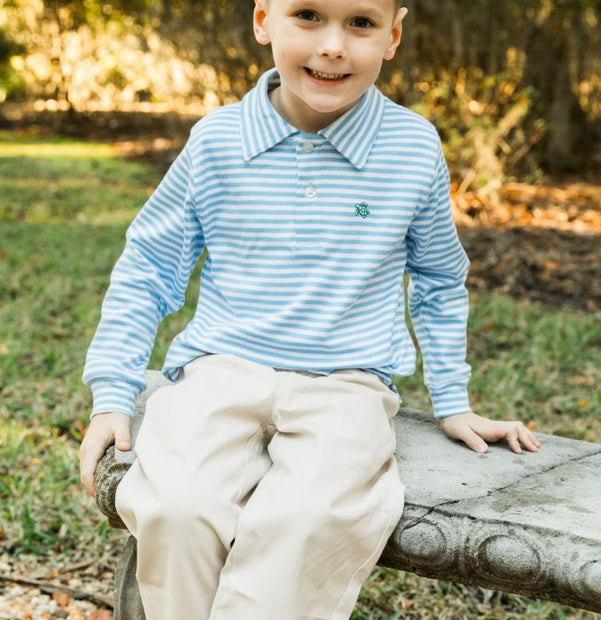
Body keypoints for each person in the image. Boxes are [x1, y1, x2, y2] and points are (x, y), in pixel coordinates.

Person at [79, 0, 541, 617]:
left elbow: (437, 276)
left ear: (393, 35)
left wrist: (454, 402)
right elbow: (150, 268)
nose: (333, 45)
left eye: (360, 23)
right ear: (263, 20)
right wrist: (111, 394)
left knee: (308, 518)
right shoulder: (217, 140)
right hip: (217, 372)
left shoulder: (410, 146)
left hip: (347, 385)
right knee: (175, 506)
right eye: (307, 15)